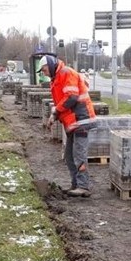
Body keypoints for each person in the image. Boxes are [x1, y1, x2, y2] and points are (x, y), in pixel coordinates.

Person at [38, 55, 96, 197]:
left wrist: (56, 111)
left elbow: (71, 97)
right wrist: (54, 116)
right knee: (69, 156)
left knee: (79, 154)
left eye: (44, 70)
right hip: (72, 122)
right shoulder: (56, 79)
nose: (44, 73)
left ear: (51, 66)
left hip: (81, 119)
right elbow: (62, 101)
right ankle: (76, 184)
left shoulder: (66, 73)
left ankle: (83, 186)